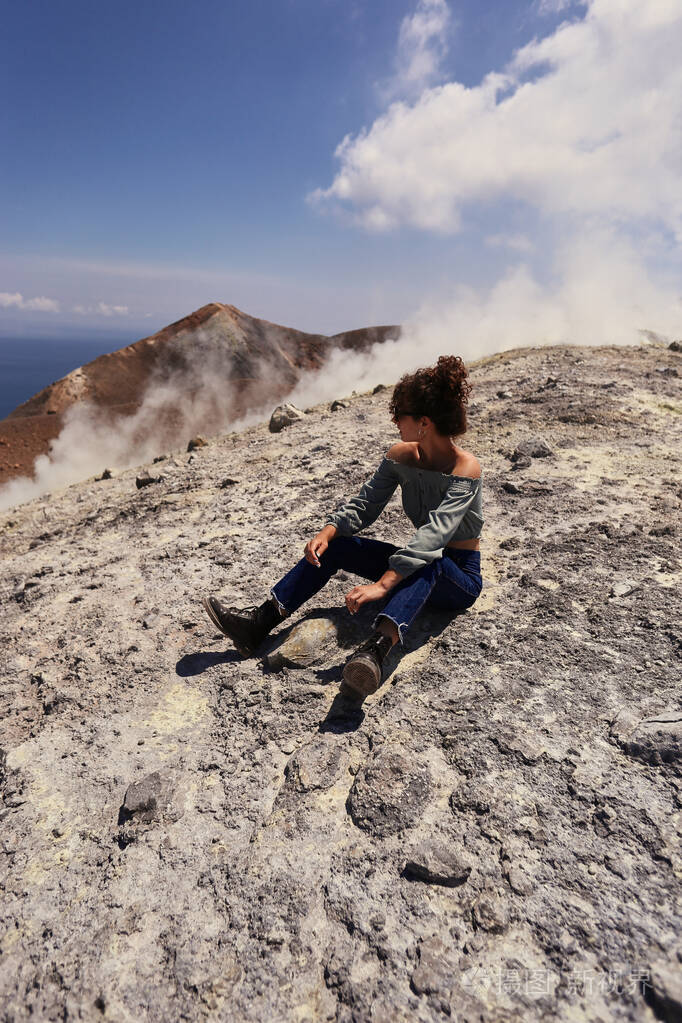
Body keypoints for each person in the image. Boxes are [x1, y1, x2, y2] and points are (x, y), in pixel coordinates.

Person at [202, 354, 483, 702]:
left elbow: (434, 536)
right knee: (338, 547)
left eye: (401, 415)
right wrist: (329, 531)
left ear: (424, 422)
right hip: (417, 563)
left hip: (458, 577)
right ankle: (258, 623)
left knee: (430, 560)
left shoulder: (465, 468)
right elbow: (365, 504)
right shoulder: (401, 456)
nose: (395, 421)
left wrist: (383, 585)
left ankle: (376, 652)